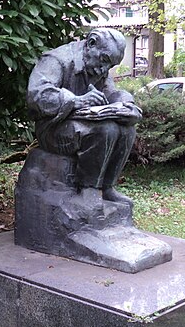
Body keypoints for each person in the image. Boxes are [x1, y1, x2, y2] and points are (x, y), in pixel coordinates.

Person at [27, 28, 142, 206]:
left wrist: (126, 102)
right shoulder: (56, 60)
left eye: (110, 66)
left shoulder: (98, 66)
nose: (104, 69)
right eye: (104, 60)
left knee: (127, 130)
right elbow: (37, 96)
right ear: (91, 44)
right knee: (105, 130)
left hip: (82, 122)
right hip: (52, 128)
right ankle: (89, 188)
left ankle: (107, 187)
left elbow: (111, 92)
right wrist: (75, 100)